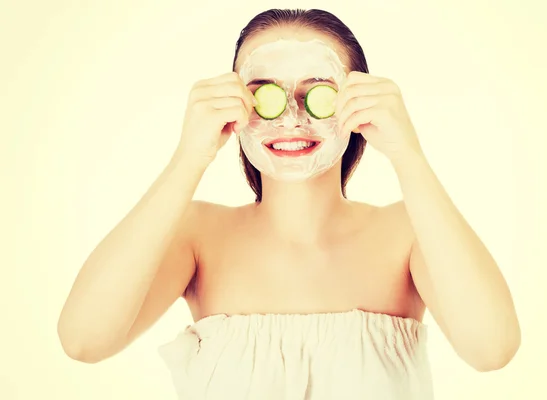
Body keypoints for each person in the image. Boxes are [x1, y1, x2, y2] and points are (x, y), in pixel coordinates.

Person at [57, 8, 521, 399]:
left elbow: (491, 349)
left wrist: (408, 154)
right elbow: (83, 341)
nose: (293, 118)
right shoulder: (197, 235)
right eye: (266, 96)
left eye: (317, 92)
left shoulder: (409, 232)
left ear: (355, 101)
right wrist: (189, 156)